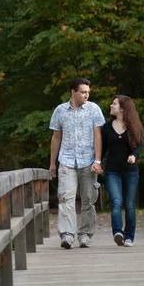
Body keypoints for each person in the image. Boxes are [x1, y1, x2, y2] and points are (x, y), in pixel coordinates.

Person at [49, 77, 105, 249]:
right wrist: (52, 163)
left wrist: (97, 160)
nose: (86, 95)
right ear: (73, 92)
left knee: (88, 199)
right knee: (66, 198)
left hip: (88, 161)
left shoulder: (94, 109)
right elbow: (56, 137)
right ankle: (67, 235)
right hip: (66, 160)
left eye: (88, 92)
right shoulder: (60, 110)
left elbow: (98, 136)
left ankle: (85, 235)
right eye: (83, 92)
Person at [98, 95, 144, 247]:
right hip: (112, 171)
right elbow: (103, 148)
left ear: (123, 108)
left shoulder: (134, 125)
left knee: (129, 204)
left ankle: (129, 236)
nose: (111, 106)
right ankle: (118, 232)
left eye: (114, 104)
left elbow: (140, 145)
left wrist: (134, 155)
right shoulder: (106, 127)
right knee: (116, 202)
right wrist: (97, 163)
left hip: (130, 171)